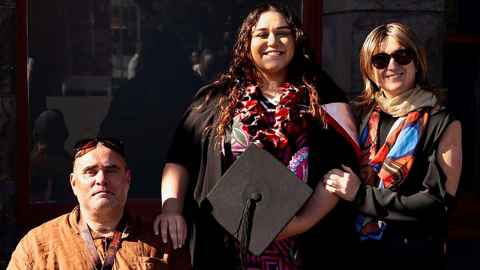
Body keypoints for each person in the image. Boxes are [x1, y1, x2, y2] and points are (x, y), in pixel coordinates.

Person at [154, 3, 359, 269]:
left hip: (301, 251)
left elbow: (338, 173)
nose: (272, 41)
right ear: (246, 43)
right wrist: (171, 209)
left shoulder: (323, 100)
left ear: (295, 40)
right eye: (262, 34)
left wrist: (301, 223)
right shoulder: (216, 100)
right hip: (226, 251)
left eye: (283, 33)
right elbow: (180, 159)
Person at [323, 22, 462, 269]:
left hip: (411, 257)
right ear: (369, 69)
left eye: (402, 56)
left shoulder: (442, 123)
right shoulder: (359, 117)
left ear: (417, 61)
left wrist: (361, 195)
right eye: (380, 60)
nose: (393, 66)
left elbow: (437, 205)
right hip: (354, 254)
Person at [8, 137, 190, 270]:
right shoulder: (37, 245)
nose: (101, 179)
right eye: (90, 171)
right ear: (73, 183)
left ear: (127, 180)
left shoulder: (162, 242)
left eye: (111, 170)